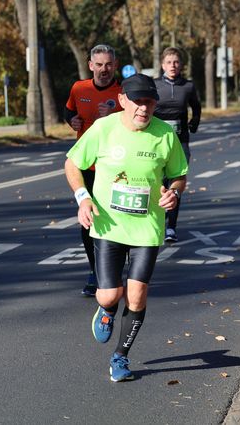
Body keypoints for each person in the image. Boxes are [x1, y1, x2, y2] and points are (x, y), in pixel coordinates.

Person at [64, 73, 188, 382]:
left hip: (147, 228)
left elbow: (179, 176)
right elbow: (72, 164)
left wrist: (173, 192)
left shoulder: (164, 135)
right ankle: (106, 311)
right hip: (108, 226)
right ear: (122, 101)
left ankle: (120, 357)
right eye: (138, 103)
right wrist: (83, 198)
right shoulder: (103, 129)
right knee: (109, 296)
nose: (144, 109)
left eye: (150, 103)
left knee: (136, 296)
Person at [65, 44, 123, 297]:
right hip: (87, 164)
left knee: (117, 218)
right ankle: (95, 271)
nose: (104, 70)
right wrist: (71, 120)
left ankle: (115, 270)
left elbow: (135, 123)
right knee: (89, 219)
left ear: (115, 65)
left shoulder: (123, 92)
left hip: (116, 166)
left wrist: (113, 116)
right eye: (99, 65)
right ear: (90, 65)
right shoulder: (80, 88)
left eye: (108, 64)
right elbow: (69, 111)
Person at [153, 47, 201, 242]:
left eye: (176, 62)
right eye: (169, 62)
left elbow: (196, 107)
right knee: (157, 183)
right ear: (162, 65)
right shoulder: (155, 85)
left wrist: (194, 122)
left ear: (181, 65)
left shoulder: (188, 86)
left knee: (175, 185)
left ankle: (171, 227)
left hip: (180, 142)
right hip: (156, 142)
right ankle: (157, 221)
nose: (173, 66)